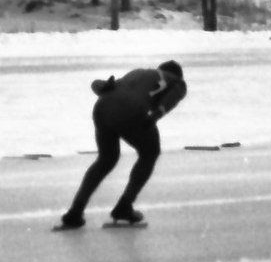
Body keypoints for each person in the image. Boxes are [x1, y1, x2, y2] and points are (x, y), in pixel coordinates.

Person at [58, 61, 187, 230]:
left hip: (102, 107)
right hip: (131, 109)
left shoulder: (138, 72)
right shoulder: (177, 82)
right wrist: (155, 116)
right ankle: (124, 207)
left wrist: (100, 86)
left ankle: (75, 212)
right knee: (150, 153)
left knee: (106, 159)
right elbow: (170, 99)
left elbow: (102, 86)